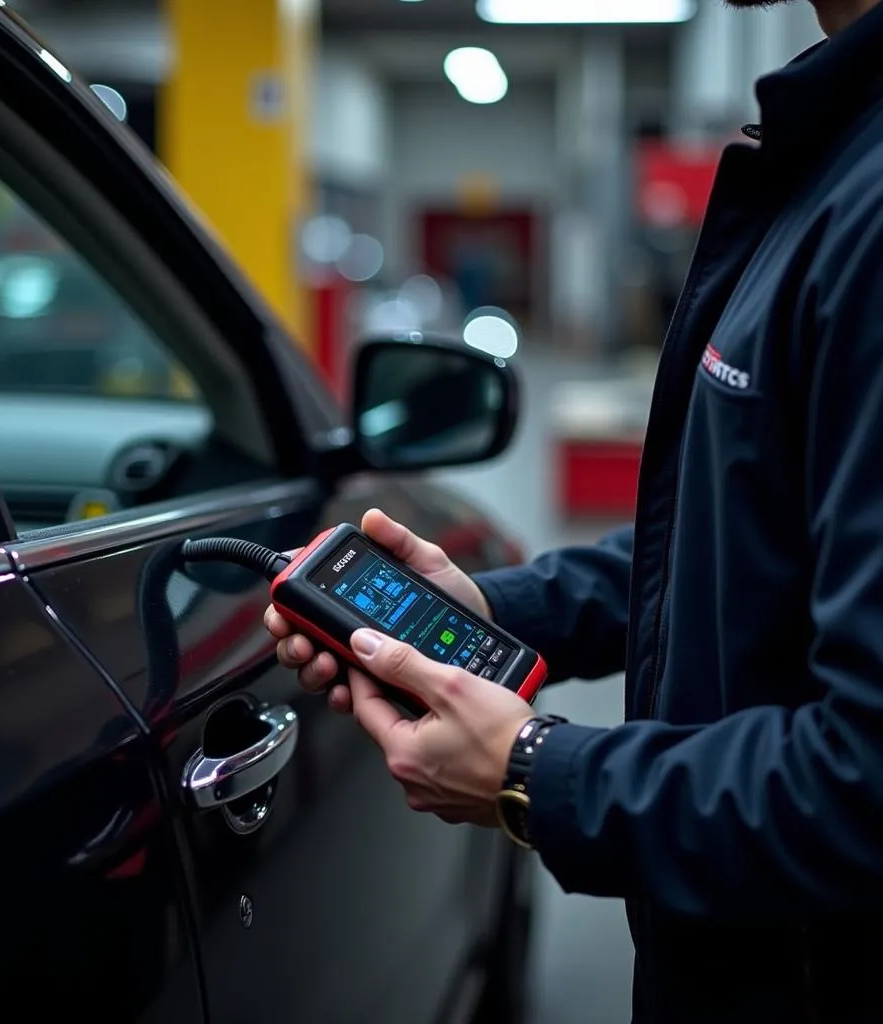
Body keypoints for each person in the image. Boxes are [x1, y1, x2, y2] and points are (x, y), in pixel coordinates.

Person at [266, 2, 883, 1020]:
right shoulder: (829, 151)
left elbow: (862, 783)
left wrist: (533, 771)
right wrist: (498, 608)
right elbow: (740, 539)